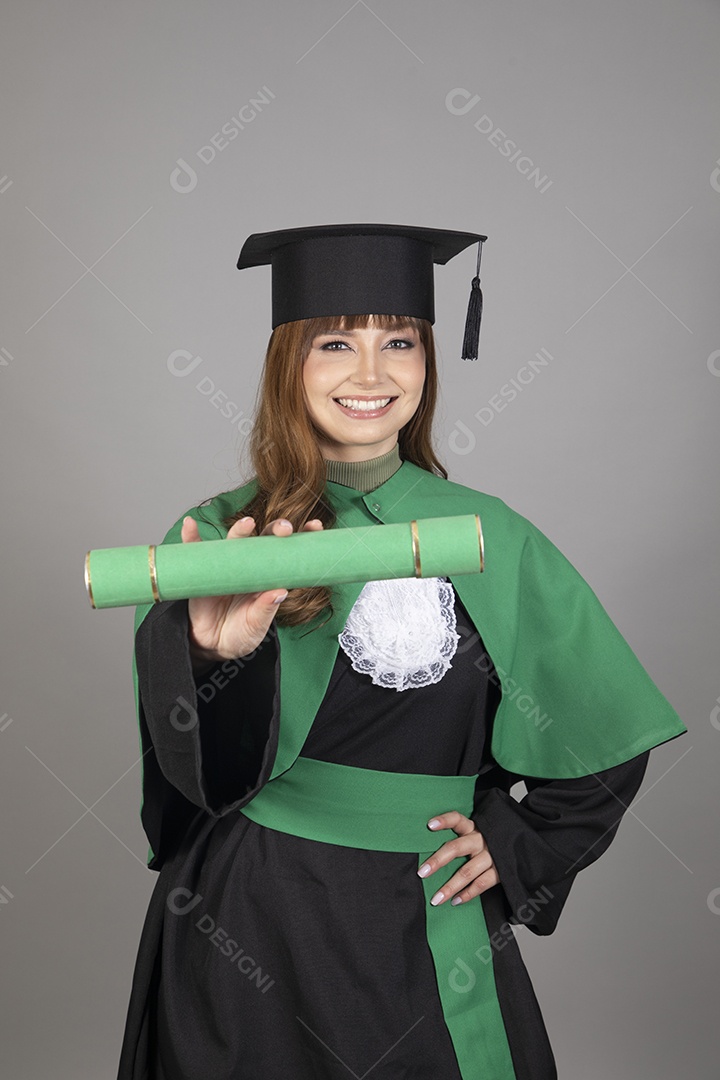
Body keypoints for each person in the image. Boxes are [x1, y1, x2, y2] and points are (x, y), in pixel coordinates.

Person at [116, 224, 687, 1080]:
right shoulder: (217, 539)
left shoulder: (490, 537)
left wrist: (518, 842)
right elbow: (194, 777)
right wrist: (208, 657)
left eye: (401, 342)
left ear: (428, 360)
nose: (372, 374)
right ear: (288, 364)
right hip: (248, 914)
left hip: (426, 920)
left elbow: (602, 729)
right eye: (335, 342)